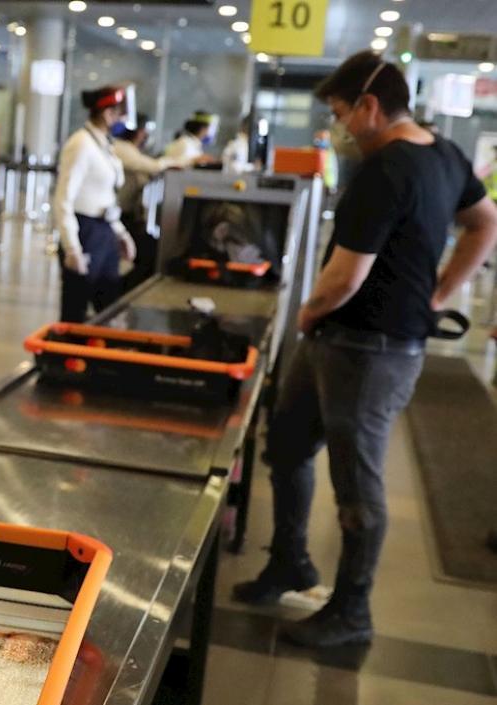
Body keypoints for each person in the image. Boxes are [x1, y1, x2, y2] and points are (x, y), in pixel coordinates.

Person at [232, 52, 497, 648]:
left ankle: (351, 610)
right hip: (346, 341)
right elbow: (486, 222)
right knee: (288, 445)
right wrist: (440, 291)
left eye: (340, 112)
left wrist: (309, 310)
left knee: (356, 483)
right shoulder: (445, 155)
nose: (339, 127)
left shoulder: (384, 171)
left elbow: (345, 276)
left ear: (370, 107)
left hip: (368, 350)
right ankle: (290, 561)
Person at [51, 85, 137, 322]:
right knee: (75, 309)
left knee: (108, 306)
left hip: (104, 229)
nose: (123, 121)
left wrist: (120, 232)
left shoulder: (104, 144)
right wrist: (72, 247)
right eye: (121, 114)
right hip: (84, 231)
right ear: (108, 114)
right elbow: (63, 199)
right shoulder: (81, 144)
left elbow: (105, 196)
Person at [113, 114, 206, 291]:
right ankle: (118, 293)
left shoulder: (130, 149)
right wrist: (188, 161)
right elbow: (151, 166)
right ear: (139, 132)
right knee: (151, 255)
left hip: (128, 216)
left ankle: (119, 292)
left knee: (150, 255)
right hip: (119, 217)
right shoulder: (122, 148)